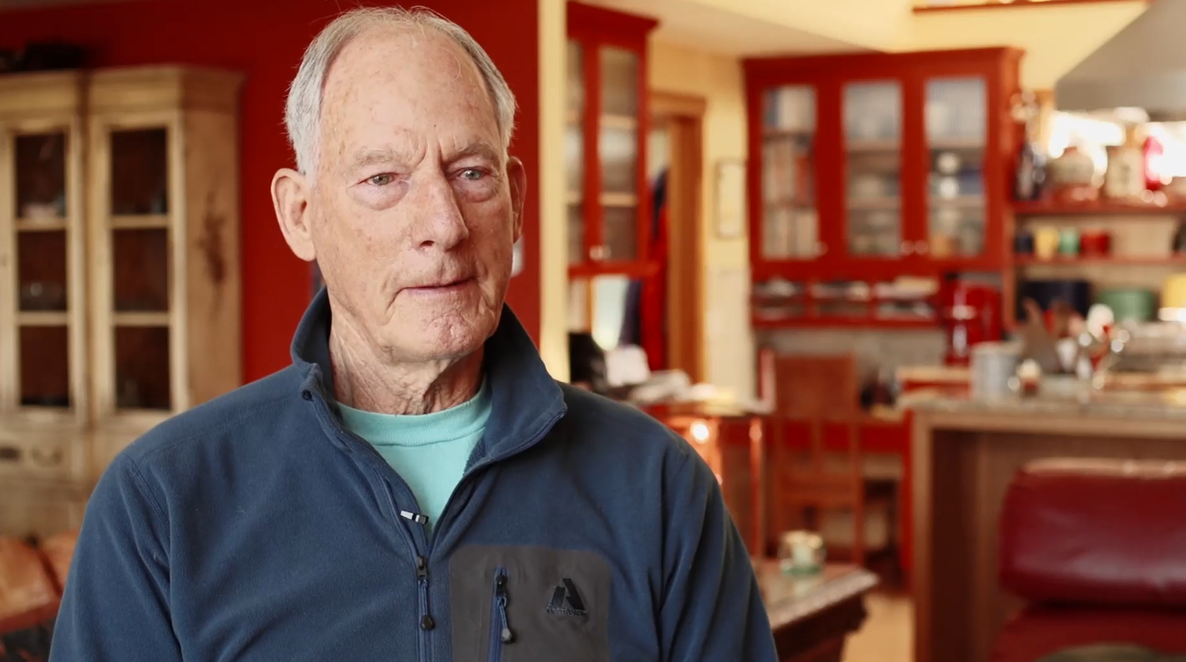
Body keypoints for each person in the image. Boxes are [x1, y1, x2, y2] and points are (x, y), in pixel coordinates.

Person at [50, 7, 776, 661]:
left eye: (470, 173)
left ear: (516, 201)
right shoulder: (163, 504)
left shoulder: (657, 486)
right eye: (383, 178)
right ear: (300, 215)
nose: (443, 225)